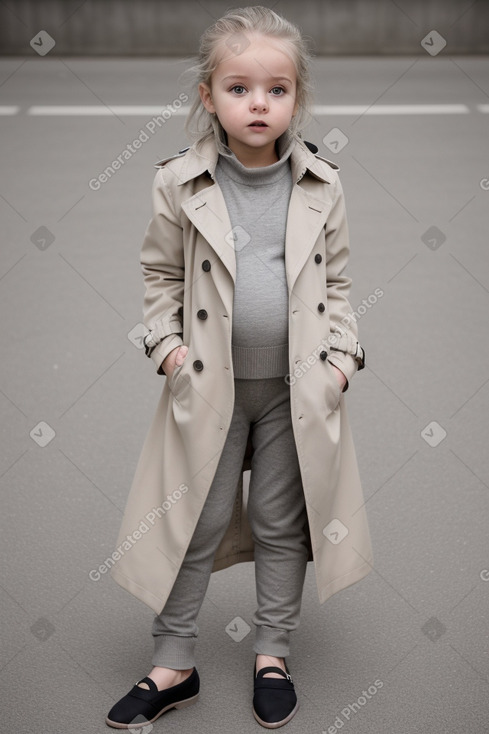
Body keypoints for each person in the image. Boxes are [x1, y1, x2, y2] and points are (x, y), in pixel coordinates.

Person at [106, 5, 373, 730]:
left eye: (277, 89)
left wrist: (342, 362)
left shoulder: (322, 183)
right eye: (239, 88)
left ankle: (272, 653)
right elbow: (159, 277)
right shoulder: (178, 183)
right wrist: (167, 351)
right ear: (207, 96)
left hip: (297, 392)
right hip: (209, 389)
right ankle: (174, 662)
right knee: (190, 520)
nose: (259, 103)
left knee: (281, 523)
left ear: (297, 97)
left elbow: (340, 286)